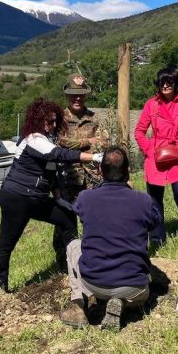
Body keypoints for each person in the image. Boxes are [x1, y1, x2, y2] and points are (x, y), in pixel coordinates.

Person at [0, 97, 102, 292]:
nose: (53, 125)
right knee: (7, 243)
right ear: (38, 121)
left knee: (66, 218)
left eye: (55, 121)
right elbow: (57, 155)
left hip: (36, 198)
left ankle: (76, 266)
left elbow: (52, 172)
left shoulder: (47, 140)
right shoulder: (33, 139)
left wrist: (58, 198)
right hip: (17, 198)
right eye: (49, 121)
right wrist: (92, 157)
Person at [59, 146, 161, 331]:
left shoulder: (85, 198)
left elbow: (80, 212)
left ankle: (78, 307)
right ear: (128, 170)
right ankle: (122, 302)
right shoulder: (143, 200)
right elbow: (155, 222)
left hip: (94, 283)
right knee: (138, 294)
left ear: (100, 170)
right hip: (134, 287)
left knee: (73, 245)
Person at [134, 67, 178, 247]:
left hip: (177, 154)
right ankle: (157, 239)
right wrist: (149, 151)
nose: (165, 85)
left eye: (169, 81)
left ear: (176, 83)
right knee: (154, 199)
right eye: (162, 82)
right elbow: (139, 131)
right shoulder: (151, 104)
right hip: (156, 156)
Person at [53, 74, 109, 271]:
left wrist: (77, 148)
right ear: (67, 95)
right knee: (65, 221)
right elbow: (60, 143)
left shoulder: (94, 119)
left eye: (81, 95)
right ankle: (63, 264)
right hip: (66, 179)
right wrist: (87, 143)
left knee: (92, 220)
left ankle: (93, 258)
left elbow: (103, 143)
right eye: (73, 95)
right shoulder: (58, 119)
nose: (77, 99)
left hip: (91, 179)